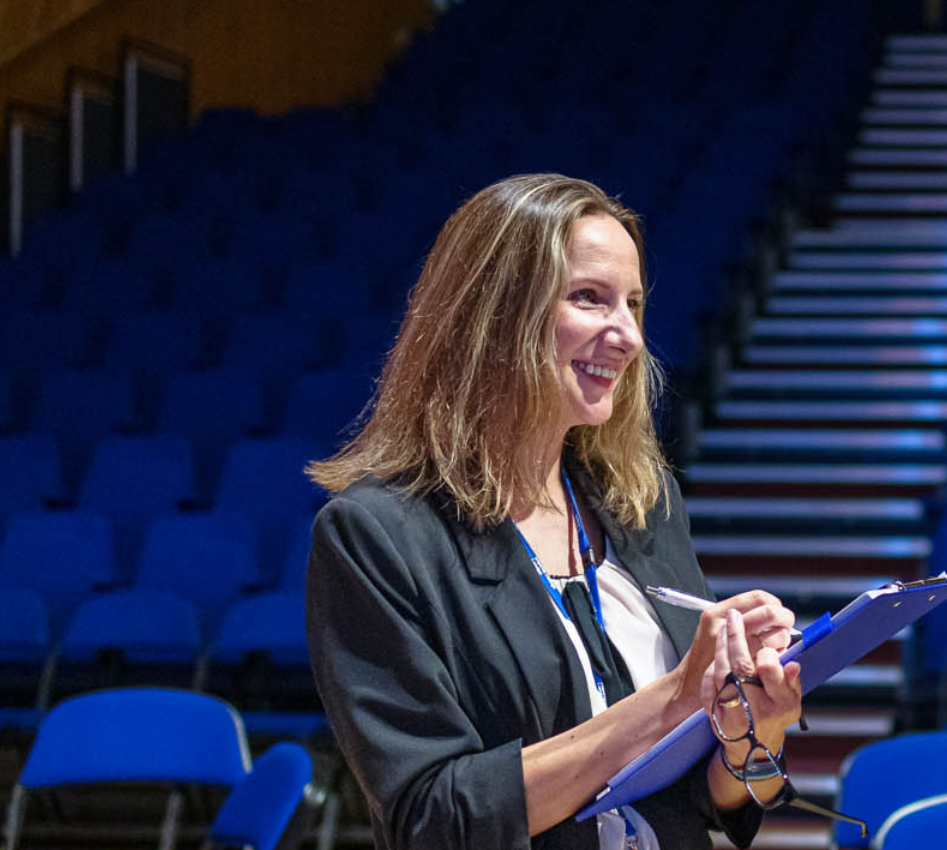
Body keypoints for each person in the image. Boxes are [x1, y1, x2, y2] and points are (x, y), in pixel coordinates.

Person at [306, 173, 805, 850]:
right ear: (496, 315)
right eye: (590, 299)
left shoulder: (644, 505)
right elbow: (433, 820)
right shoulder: (378, 536)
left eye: (633, 304)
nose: (628, 336)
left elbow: (706, 796)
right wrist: (674, 700)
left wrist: (752, 724)